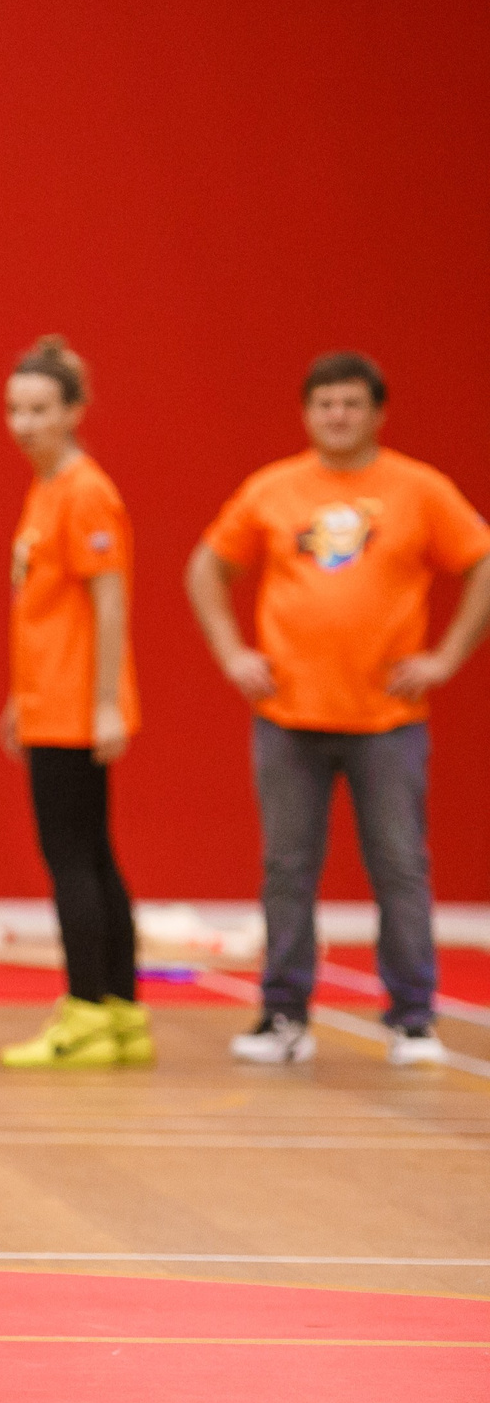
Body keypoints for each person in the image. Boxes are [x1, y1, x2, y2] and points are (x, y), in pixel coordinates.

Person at [186, 352, 490, 1067]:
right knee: (287, 867)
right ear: (307, 413)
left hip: (388, 719)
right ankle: (283, 1016)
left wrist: (445, 657)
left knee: (399, 866)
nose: (338, 416)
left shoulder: (419, 489)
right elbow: (206, 566)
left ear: (377, 413)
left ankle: (412, 1019)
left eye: (351, 404)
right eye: (324, 404)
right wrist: (233, 651)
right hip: (289, 715)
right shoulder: (273, 488)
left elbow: (480, 561)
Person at [0, 337, 148, 1069]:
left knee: (71, 861)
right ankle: (121, 1010)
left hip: (77, 707)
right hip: (49, 700)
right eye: (15, 409)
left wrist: (106, 703)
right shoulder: (46, 486)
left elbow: (110, 599)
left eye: (40, 409)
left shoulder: (87, 489)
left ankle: (85, 1008)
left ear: (74, 412)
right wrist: (19, 697)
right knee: (94, 854)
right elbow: (47, 609)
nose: (24, 423)